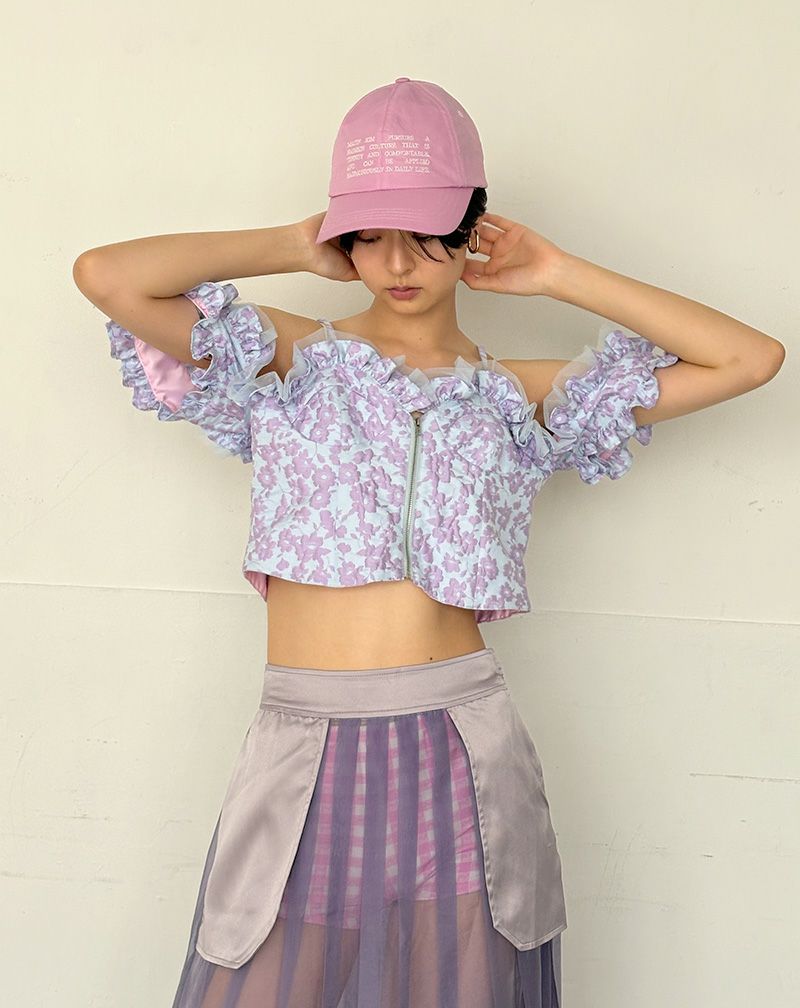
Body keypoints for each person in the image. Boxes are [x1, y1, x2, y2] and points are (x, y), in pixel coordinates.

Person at [73, 78, 784, 1007]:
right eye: (370, 235)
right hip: (305, 745)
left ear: (472, 226)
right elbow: (107, 275)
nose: (398, 261)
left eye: (426, 232)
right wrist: (293, 243)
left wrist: (556, 271)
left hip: (462, 749)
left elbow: (750, 357)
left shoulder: (513, 396)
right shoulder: (290, 362)